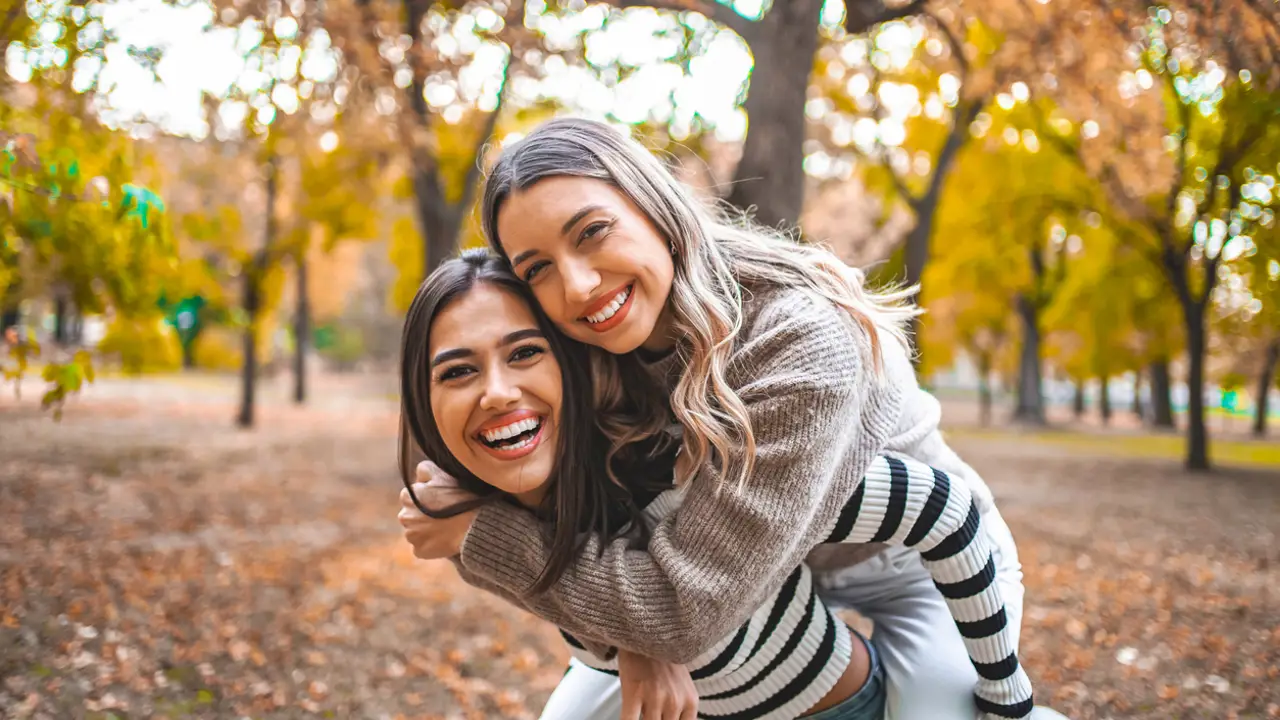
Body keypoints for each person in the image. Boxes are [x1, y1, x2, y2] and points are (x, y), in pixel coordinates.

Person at [402, 117, 1034, 719]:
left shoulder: (801, 341)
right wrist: (634, 643)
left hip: (917, 567)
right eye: (536, 268)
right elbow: (594, 526)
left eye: (592, 231)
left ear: (655, 208)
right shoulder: (591, 348)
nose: (578, 285)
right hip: (755, 573)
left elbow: (684, 611)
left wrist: (478, 537)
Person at [398, 250, 885, 718]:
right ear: (424, 398)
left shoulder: (676, 460)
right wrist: (625, 643)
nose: (498, 394)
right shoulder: (468, 507)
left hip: (834, 703)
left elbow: (672, 616)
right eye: (458, 371)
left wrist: (638, 639)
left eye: (525, 352)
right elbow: (593, 604)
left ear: (572, 366)